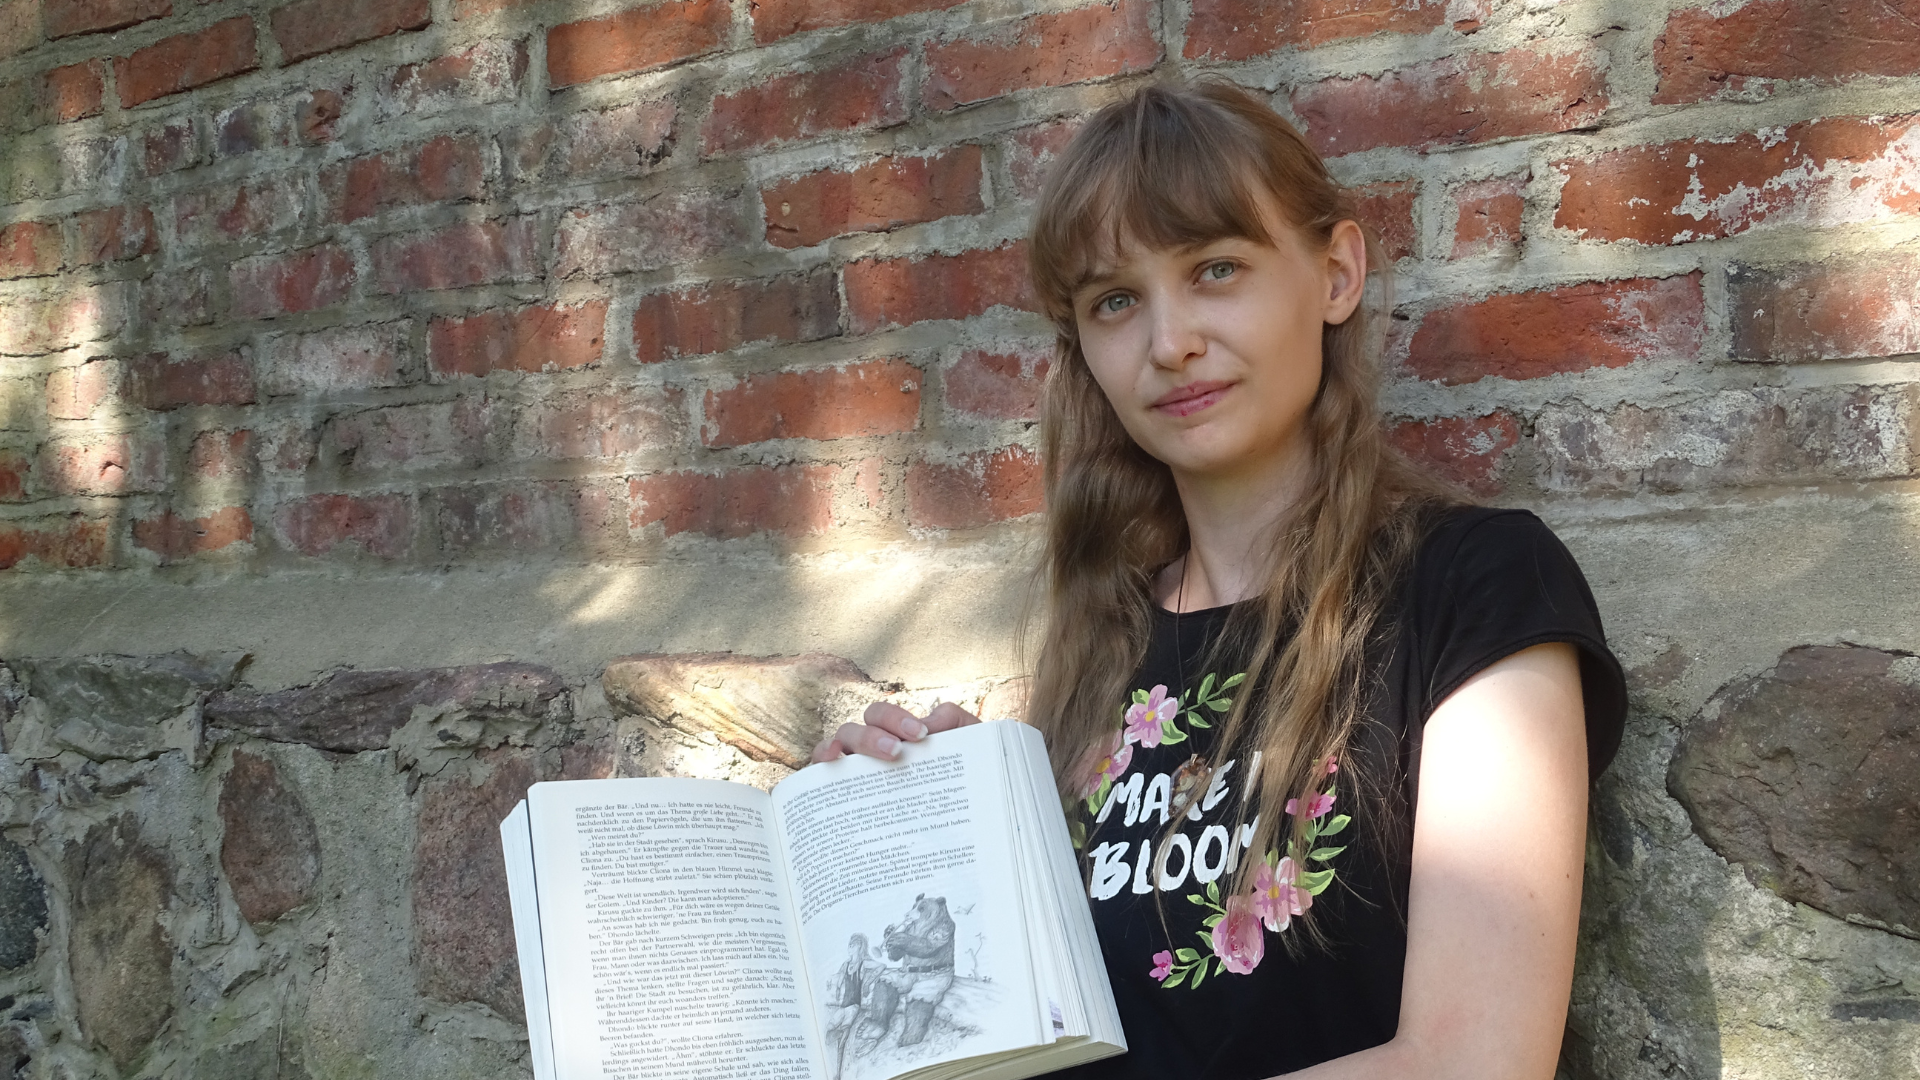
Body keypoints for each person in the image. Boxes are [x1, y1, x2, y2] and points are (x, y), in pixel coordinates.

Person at [812, 79, 1626, 1080]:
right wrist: (926, 829)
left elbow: (1475, 1062)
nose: (1170, 343)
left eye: (1216, 269)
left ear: (1336, 275)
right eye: (1116, 301)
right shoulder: (1101, 642)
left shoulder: (1477, 587)